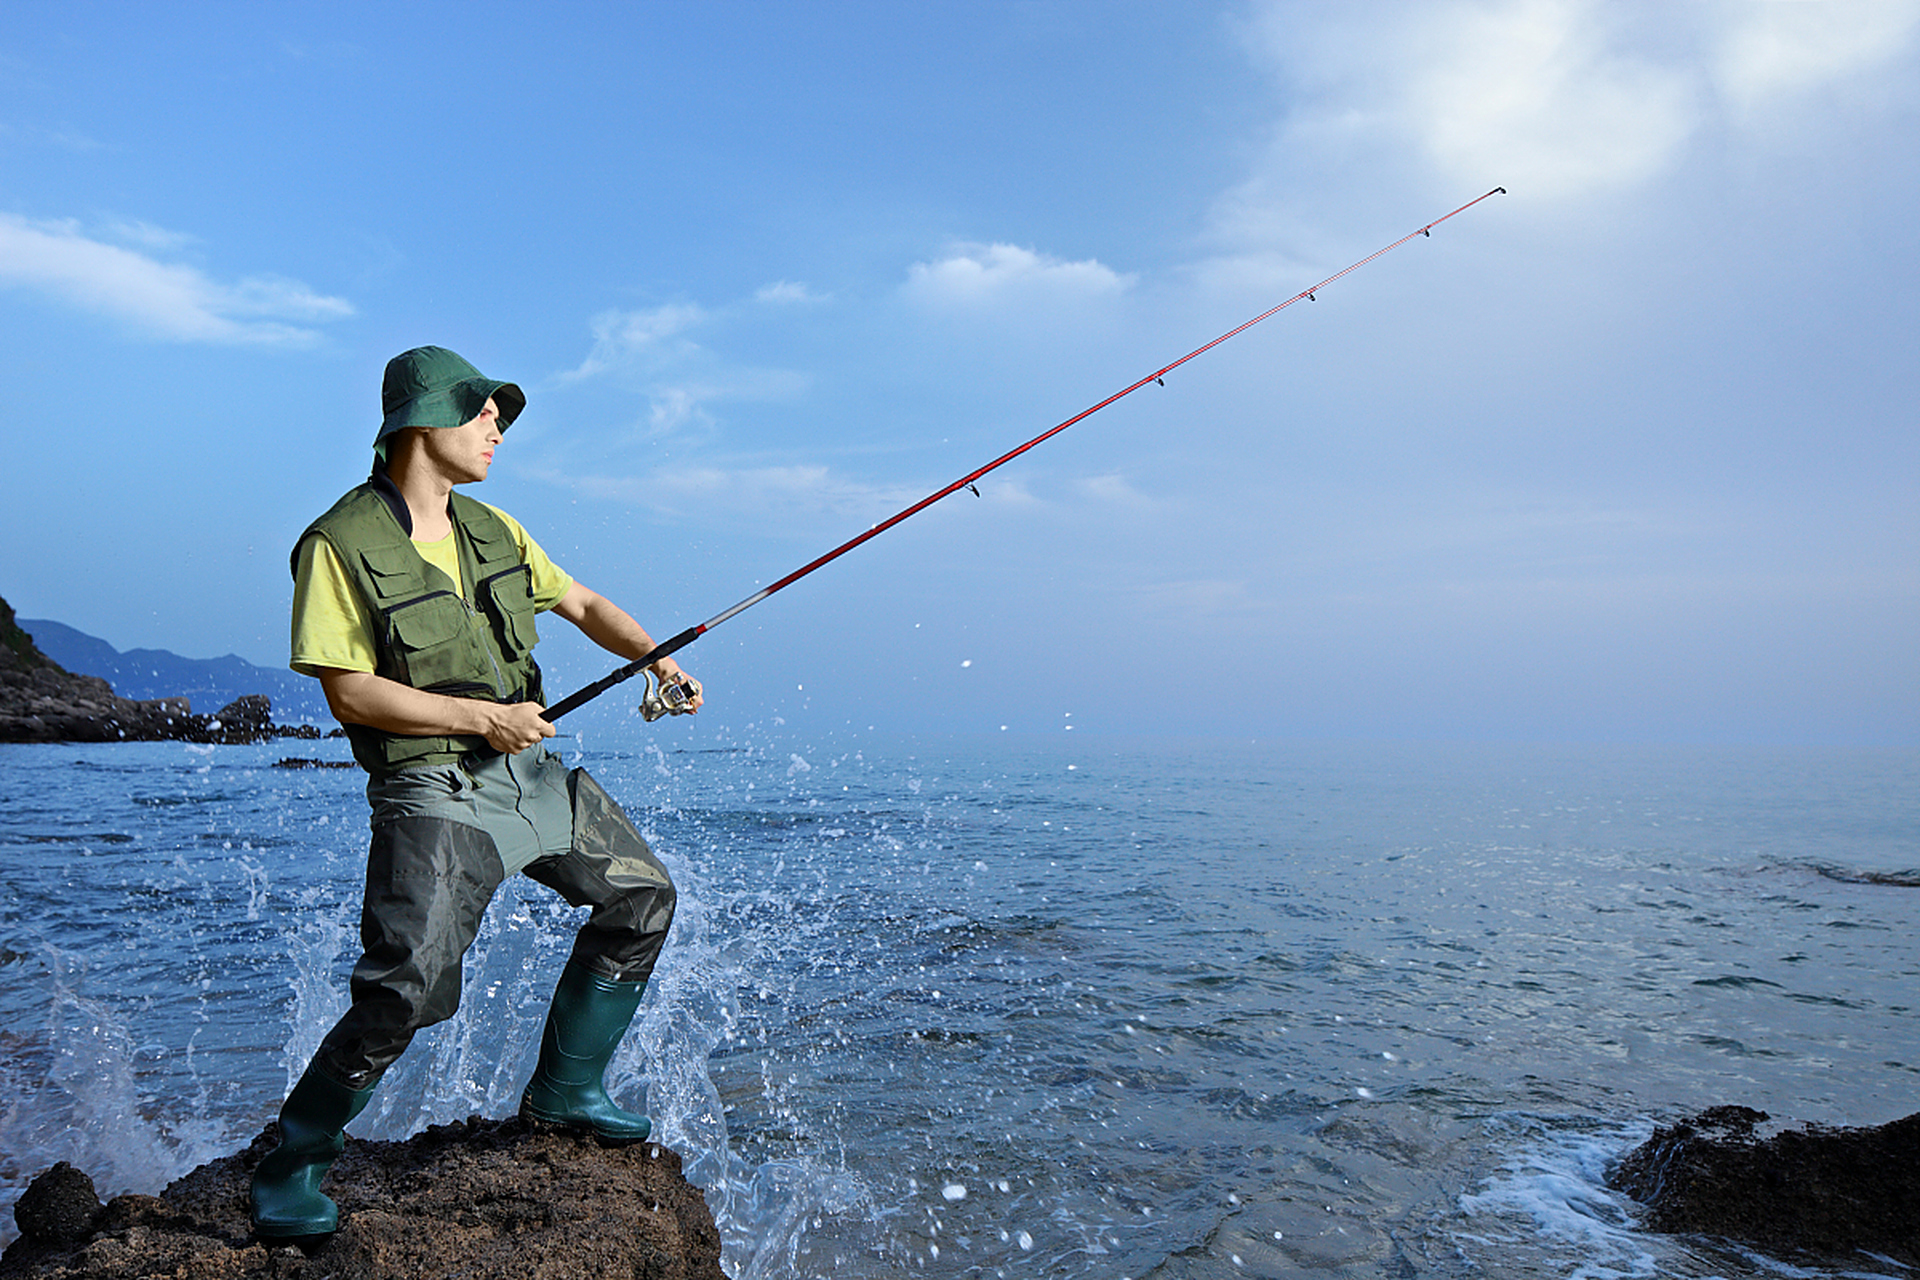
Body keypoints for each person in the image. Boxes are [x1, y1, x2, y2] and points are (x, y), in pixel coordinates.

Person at [250, 346, 701, 1241]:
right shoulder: (339, 544)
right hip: (433, 788)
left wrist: (656, 658)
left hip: (525, 773)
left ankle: (566, 1091)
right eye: (481, 412)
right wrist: (482, 722)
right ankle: (294, 1161)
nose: (497, 427)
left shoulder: (495, 528)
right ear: (423, 422)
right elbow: (350, 692)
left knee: (641, 897)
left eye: (499, 414)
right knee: (405, 986)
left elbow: (584, 604)